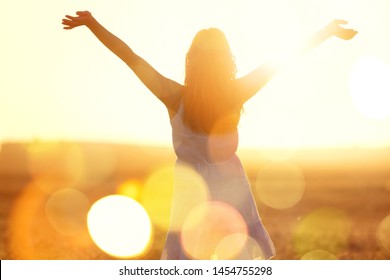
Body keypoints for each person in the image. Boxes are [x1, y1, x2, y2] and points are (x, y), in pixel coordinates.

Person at [62, 11, 357, 260]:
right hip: (233, 195)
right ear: (226, 59)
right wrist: (328, 31)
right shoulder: (236, 93)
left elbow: (131, 58)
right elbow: (282, 59)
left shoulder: (173, 96)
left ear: (192, 59)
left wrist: (93, 24)